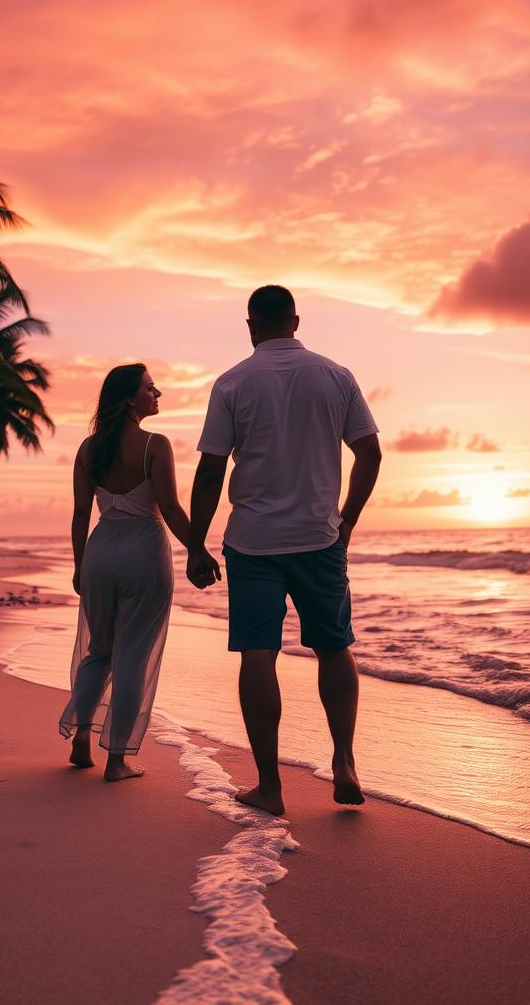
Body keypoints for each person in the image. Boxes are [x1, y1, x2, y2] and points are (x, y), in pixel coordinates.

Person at [186, 286, 382, 815]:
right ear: (296, 320)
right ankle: (343, 761)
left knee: (258, 654)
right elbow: (370, 452)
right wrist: (348, 520)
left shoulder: (232, 383)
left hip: (252, 542)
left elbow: (211, 468)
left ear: (250, 326)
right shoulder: (336, 376)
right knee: (334, 647)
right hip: (320, 539)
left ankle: (270, 787)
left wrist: (196, 544)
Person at [60, 363, 219, 782]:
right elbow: (170, 509)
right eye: (151, 388)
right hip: (143, 552)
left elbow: (80, 513)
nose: (158, 393)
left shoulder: (87, 449)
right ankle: (116, 760)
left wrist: (79, 565)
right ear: (131, 398)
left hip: (99, 549)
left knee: (100, 650)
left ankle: (80, 736)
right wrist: (198, 550)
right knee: (133, 657)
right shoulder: (155, 445)